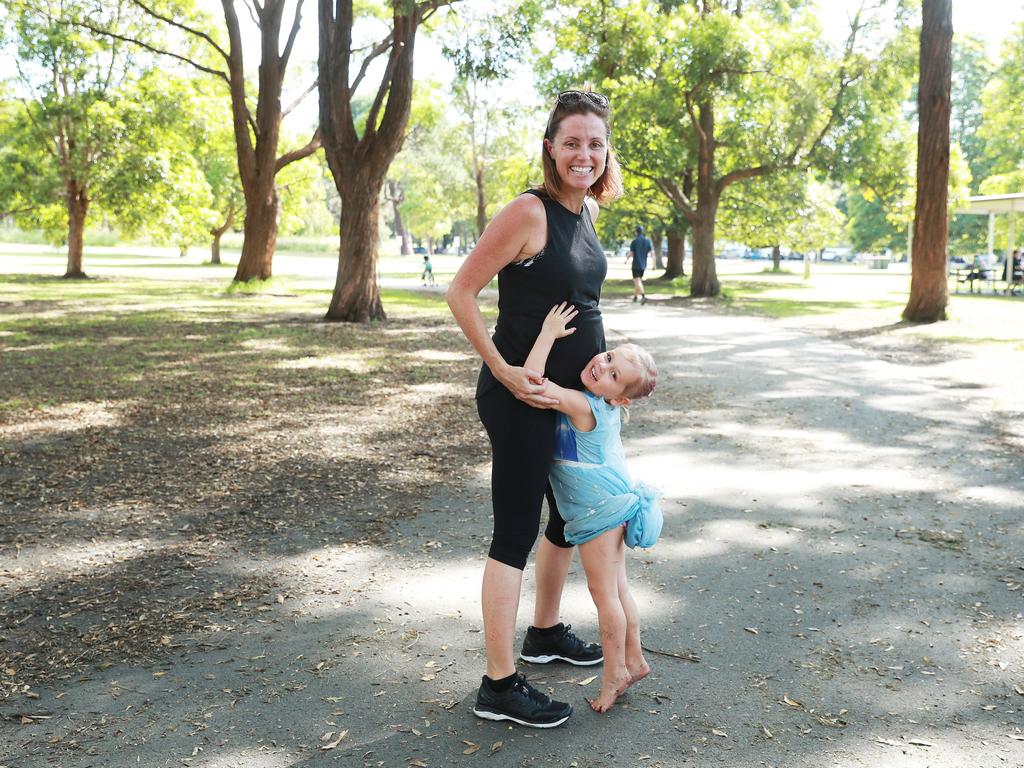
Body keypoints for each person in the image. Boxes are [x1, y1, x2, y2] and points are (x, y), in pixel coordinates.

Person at [446, 88, 624, 728]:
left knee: (563, 521)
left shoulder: (585, 213)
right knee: (516, 532)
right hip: (521, 400)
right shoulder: (529, 211)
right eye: (572, 142)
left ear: (606, 153)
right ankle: (498, 686)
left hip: (568, 401)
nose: (585, 154)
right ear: (551, 147)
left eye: (595, 144)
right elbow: (461, 291)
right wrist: (502, 370)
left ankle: (544, 632)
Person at [523, 302, 662, 712]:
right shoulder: (596, 401)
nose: (602, 365)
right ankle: (634, 661)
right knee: (618, 591)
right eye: (608, 356)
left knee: (605, 598)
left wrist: (547, 333)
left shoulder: (583, 406)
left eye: (614, 374)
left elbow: (532, 384)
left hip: (598, 514)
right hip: (612, 505)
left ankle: (613, 674)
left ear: (619, 399)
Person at [626, 225, 653, 304]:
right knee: (638, 282)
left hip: (636, 264)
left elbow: (631, 253)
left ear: (636, 232)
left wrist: (626, 259)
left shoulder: (635, 241)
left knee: (637, 282)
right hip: (643, 265)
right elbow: (651, 253)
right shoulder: (647, 241)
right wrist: (654, 264)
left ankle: (643, 296)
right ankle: (635, 297)